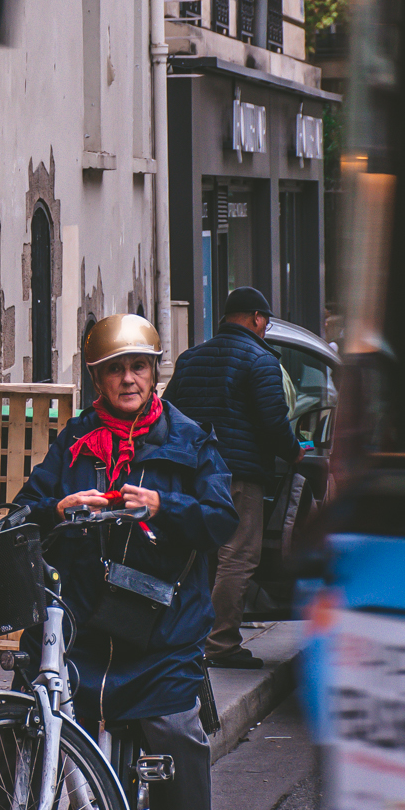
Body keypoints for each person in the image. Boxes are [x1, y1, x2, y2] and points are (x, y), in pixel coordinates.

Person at [0, 314, 240, 810]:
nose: (128, 379)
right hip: (84, 621)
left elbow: (223, 516)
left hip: (162, 623)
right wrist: (60, 507)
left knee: (176, 730)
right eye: (115, 370)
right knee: (23, 706)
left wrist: (166, 504)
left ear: (154, 372)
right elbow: (28, 507)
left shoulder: (188, 439)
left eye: (138, 367)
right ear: (97, 379)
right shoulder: (75, 440)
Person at [164, 286, 301, 671]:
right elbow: (274, 421)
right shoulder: (260, 360)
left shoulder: (190, 359)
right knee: (237, 557)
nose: (265, 328)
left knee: (200, 557)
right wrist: (294, 452)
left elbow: (169, 413)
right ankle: (221, 643)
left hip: (194, 473)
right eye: (266, 321)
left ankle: (191, 636)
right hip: (239, 475)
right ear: (257, 318)